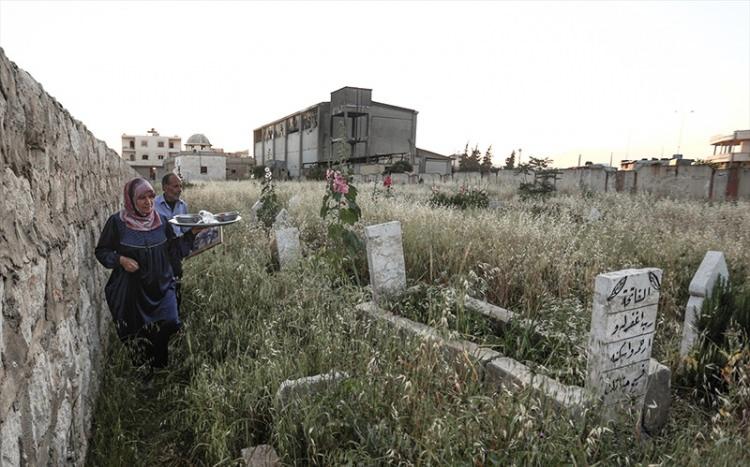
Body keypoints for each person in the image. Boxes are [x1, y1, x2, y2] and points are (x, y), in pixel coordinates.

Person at [95, 178, 202, 371]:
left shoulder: (160, 221)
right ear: (130, 200)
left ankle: (159, 365)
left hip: (161, 286)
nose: (148, 202)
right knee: (137, 332)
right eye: (142, 198)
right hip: (132, 290)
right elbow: (102, 251)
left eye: (151, 197)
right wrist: (121, 260)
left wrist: (192, 233)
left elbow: (173, 250)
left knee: (170, 322)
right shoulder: (117, 223)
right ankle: (145, 372)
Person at [155, 173, 189, 304]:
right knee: (159, 286)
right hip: (159, 253)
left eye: (181, 186)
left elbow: (186, 231)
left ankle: (175, 316)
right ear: (165, 188)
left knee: (176, 284)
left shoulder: (183, 206)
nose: (179, 189)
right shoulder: (153, 206)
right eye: (175, 186)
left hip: (176, 254)